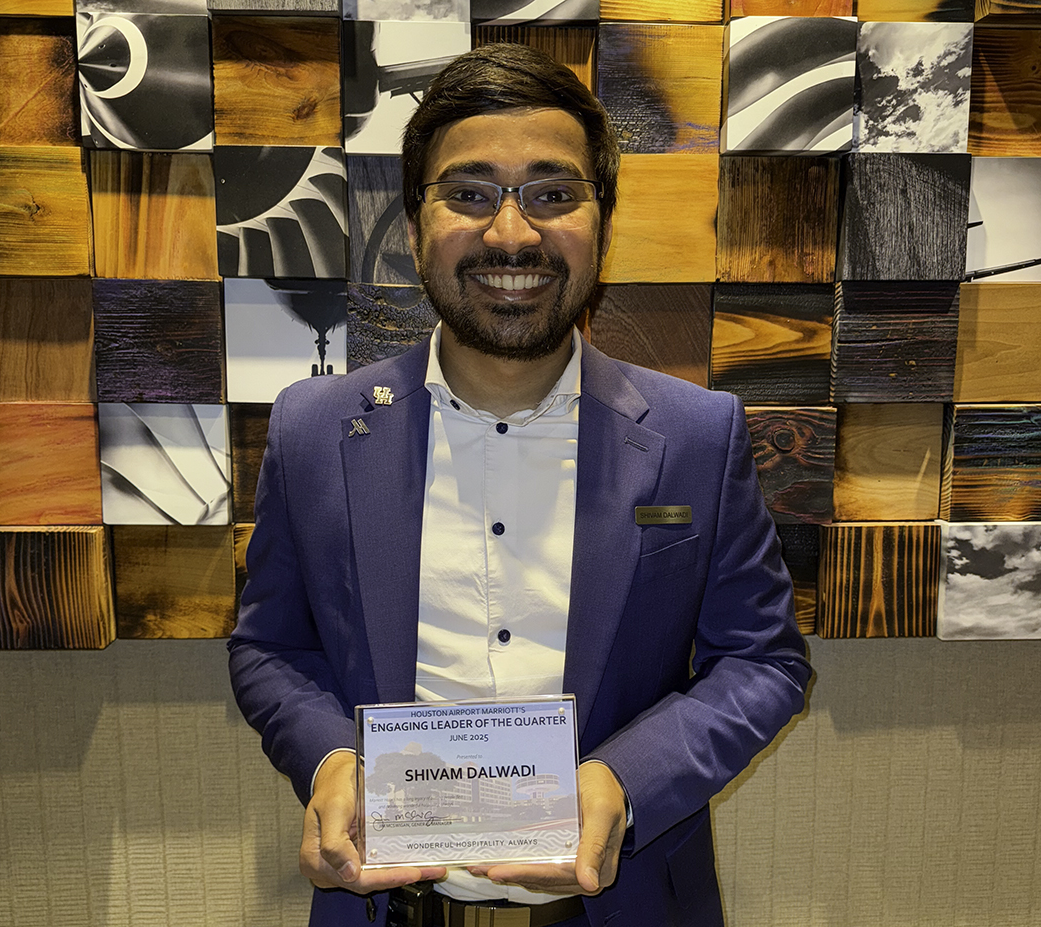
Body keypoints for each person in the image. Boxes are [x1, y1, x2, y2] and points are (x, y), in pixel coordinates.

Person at [228, 43, 811, 927]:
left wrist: (624, 778)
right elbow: (268, 647)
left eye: (552, 193)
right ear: (415, 222)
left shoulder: (698, 434)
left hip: (625, 902)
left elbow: (763, 661)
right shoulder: (315, 430)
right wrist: (328, 760)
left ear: (601, 220)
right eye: (469, 193)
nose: (511, 233)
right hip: (386, 905)